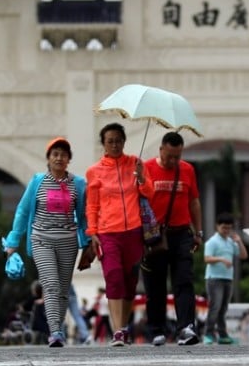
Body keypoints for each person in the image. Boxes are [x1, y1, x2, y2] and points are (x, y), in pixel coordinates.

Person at [4, 136, 94, 348]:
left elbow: (83, 217)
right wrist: (13, 240)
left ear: (69, 159)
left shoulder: (79, 184)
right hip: (41, 239)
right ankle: (55, 331)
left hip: (68, 242)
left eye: (63, 155)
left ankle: (58, 328)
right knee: (50, 284)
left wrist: (88, 243)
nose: (59, 158)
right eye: (55, 154)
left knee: (62, 289)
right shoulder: (37, 182)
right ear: (48, 158)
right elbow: (23, 211)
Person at [85, 122, 155, 347]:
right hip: (108, 233)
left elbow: (150, 192)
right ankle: (117, 332)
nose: (115, 144)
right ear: (103, 144)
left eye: (118, 140)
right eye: (110, 141)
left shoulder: (135, 163)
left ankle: (122, 326)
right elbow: (92, 206)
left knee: (129, 282)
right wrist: (92, 233)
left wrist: (141, 178)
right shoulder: (94, 171)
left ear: (124, 141)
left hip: (133, 232)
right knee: (113, 277)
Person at [141, 130, 204, 346]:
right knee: (155, 285)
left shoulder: (187, 170)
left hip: (181, 234)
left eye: (177, 156)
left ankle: (186, 327)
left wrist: (199, 231)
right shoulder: (146, 168)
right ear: (161, 150)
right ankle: (156, 329)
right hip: (154, 236)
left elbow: (194, 201)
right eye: (169, 156)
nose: (173, 161)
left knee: (184, 281)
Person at [203, 212, 247, 344]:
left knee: (223, 308)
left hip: (228, 278)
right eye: (224, 228)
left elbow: (243, 256)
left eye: (229, 228)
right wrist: (221, 259)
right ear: (217, 226)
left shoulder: (230, 242)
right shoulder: (212, 242)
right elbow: (207, 259)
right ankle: (208, 333)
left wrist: (239, 242)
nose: (226, 230)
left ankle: (222, 335)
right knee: (215, 307)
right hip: (214, 279)